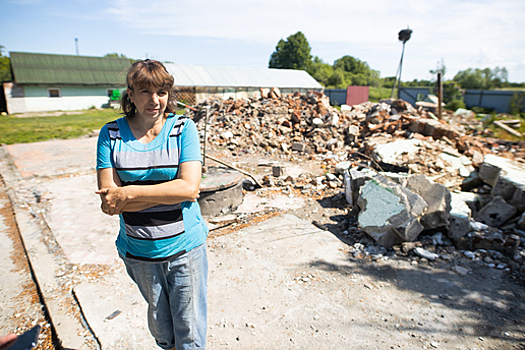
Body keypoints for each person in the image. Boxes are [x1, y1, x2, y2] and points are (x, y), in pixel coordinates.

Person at [96, 59, 209, 350]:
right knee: (163, 333)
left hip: (184, 249)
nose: (154, 100)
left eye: (161, 92)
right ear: (130, 94)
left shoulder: (183, 128)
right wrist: (166, 192)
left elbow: (189, 188)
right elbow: (109, 202)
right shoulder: (111, 134)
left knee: (191, 335)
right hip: (139, 252)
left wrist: (129, 194)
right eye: (145, 91)